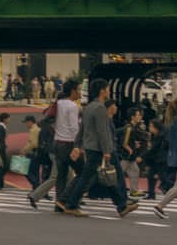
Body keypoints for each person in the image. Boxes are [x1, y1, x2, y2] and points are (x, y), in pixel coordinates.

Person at [57, 81, 135, 217]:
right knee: (89, 177)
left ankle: (121, 205)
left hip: (91, 147)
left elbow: (82, 128)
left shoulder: (89, 107)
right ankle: (70, 204)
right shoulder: (100, 108)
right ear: (102, 91)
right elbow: (102, 131)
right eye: (107, 89)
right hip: (98, 149)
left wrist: (77, 145)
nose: (109, 91)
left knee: (107, 175)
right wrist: (106, 151)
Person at [28, 81, 82, 209]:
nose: (80, 92)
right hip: (68, 143)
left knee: (63, 176)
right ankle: (66, 200)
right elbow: (74, 128)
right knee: (81, 173)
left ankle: (62, 202)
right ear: (73, 91)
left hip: (57, 144)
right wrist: (78, 145)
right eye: (79, 89)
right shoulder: (72, 106)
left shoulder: (58, 105)